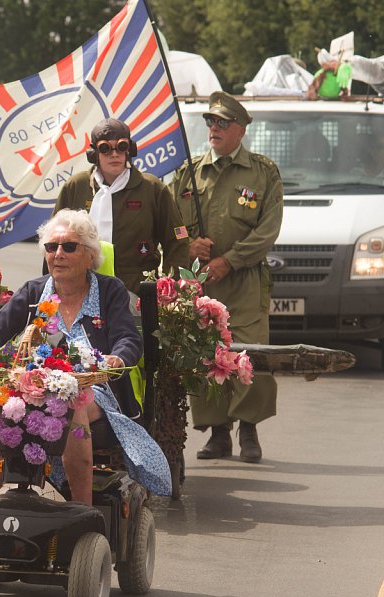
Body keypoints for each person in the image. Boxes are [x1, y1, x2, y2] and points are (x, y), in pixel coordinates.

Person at [0, 209, 171, 503]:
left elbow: (127, 338)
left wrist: (117, 358)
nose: (58, 254)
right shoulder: (32, 293)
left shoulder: (110, 291)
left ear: (90, 255)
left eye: (69, 247)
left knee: (70, 406)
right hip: (35, 385)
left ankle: (83, 509)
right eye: (51, 247)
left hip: (94, 387)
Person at [169, 91, 283, 462]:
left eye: (222, 123)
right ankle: (219, 434)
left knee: (251, 354)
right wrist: (188, 245)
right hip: (201, 283)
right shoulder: (188, 171)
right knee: (206, 356)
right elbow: (171, 224)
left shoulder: (262, 172)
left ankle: (249, 429)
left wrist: (229, 261)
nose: (214, 129)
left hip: (245, 281)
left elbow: (268, 230)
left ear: (240, 130)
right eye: (209, 122)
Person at [53, 117, 190, 294]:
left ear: (129, 150)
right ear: (94, 153)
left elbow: (177, 240)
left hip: (136, 290)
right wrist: (52, 289)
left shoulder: (152, 189)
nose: (114, 154)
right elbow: (54, 241)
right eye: (105, 148)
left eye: (121, 147)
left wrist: (173, 290)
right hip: (80, 288)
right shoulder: (76, 187)